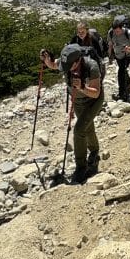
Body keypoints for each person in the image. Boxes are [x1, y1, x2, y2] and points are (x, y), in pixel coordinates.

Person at [41, 44, 104, 184]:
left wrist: (82, 87)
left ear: (77, 61)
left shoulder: (91, 66)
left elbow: (96, 92)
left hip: (93, 101)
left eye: (69, 65)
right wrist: (46, 58)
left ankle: (81, 167)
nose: (65, 68)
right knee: (87, 126)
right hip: (78, 101)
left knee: (79, 130)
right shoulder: (65, 63)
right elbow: (52, 64)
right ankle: (94, 151)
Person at [108, 15, 130, 102]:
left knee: (121, 71)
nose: (116, 33)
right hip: (118, 55)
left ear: (122, 28)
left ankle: (122, 95)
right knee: (123, 71)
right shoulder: (110, 33)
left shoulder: (128, 33)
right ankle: (127, 88)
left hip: (127, 55)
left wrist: (129, 49)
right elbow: (110, 45)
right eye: (115, 31)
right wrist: (110, 56)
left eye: (118, 31)